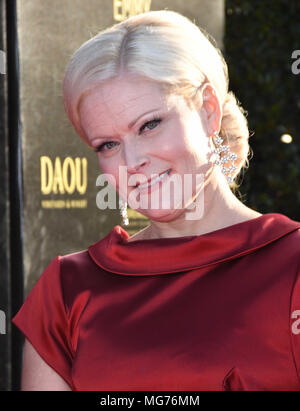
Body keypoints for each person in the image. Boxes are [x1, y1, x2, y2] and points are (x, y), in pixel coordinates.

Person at [12, 10, 300, 391]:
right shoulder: (66, 293)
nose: (132, 163)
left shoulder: (291, 265)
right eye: (108, 145)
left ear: (208, 111)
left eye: (149, 125)